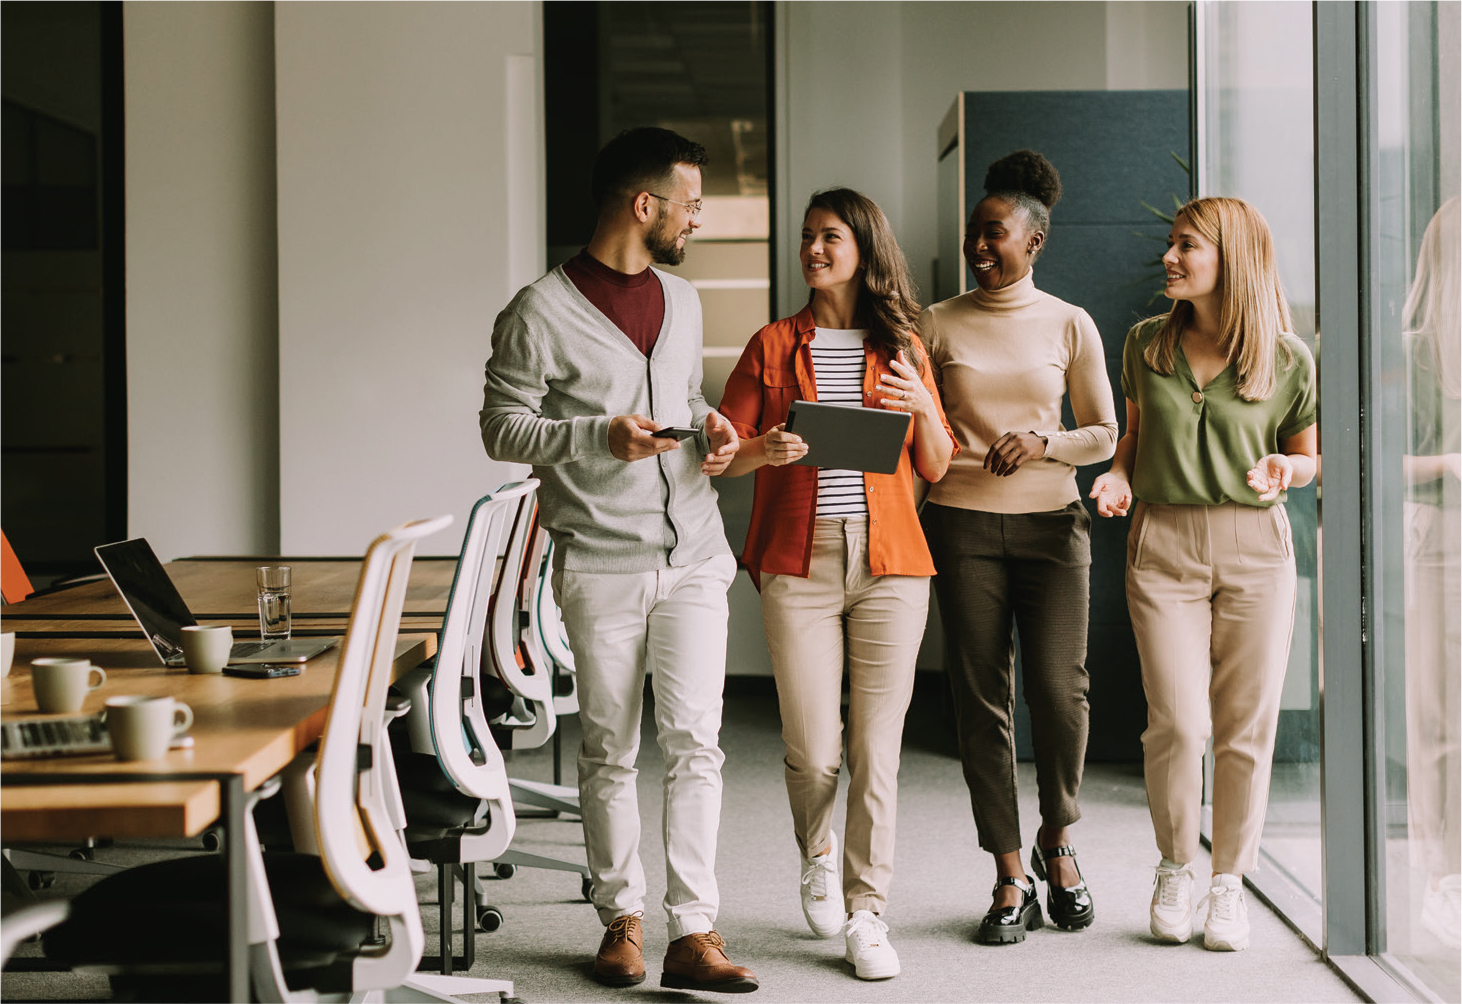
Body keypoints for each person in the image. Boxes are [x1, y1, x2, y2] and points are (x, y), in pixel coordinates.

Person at [479, 127, 758, 994]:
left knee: (696, 744)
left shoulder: (683, 299)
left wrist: (714, 427)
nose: (696, 220)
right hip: (598, 563)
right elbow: (501, 429)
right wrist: (596, 435)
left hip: (696, 556)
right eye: (690, 205)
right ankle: (621, 920)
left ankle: (695, 931)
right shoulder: (538, 311)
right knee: (608, 748)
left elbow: (683, 399)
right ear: (647, 206)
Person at [717, 188, 956, 981]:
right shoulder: (771, 344)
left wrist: (922, 399)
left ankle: (867, 911)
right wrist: (767, 449)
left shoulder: (903, 345)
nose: (814, 249)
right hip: (801, 558)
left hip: (892, 563)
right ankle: (816, 851)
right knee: (816, 751)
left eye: (831, 236)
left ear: (864, 247)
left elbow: (937, 462)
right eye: (807, 237)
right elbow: (722, 451)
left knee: (874, 749)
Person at [1090, 196, 1318, 952]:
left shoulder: (1287, 358)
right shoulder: (1144, 343)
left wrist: (1291, 465)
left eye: (1186, 246)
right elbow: (1134, 435)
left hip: (1257, 546)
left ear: (1232, 259)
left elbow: (1308, 455)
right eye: (1171, 243)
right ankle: (1176, 865)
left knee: (1245, 729)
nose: (1170, 256)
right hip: (1164, 544)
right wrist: (1118, 475)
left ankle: (1229, 884)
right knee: (1178, 722)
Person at [917, 150, 1116, 946]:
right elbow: (916, 430)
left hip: (1052, 528)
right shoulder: (936, 322)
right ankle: (1008, 872)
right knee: (980, 700)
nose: (978, 245)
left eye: (994, 233)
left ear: (1033, 242)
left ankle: (1058, 840)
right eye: (974, 232)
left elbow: (1105, 432)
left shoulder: (1070, 323)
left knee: (1060, 695)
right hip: (961, 522)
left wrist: (1045, 442)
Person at [1401, 196, 1459, 949]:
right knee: (1441, 729)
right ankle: (1444, 880)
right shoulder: (1409, 349)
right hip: (1441, 546)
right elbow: (1369, 459)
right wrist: (1448, 465)